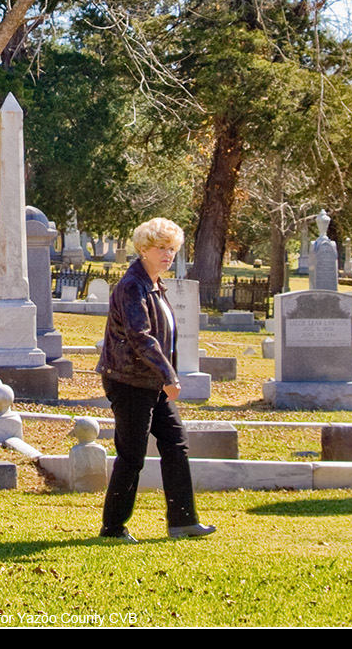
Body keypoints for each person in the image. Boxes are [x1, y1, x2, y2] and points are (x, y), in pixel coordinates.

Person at [94, 217, 214, 540]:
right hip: (129, 381)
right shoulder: (133, 285)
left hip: (152, 382)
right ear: (143, 249)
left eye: (172, 249)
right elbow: (140, 336)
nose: (168, 255)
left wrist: (163, 377)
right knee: (132, 455)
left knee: (176, 443)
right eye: (161, 248)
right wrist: (169, 375)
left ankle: (183, 521)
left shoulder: (155, 284)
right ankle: (113, 527)